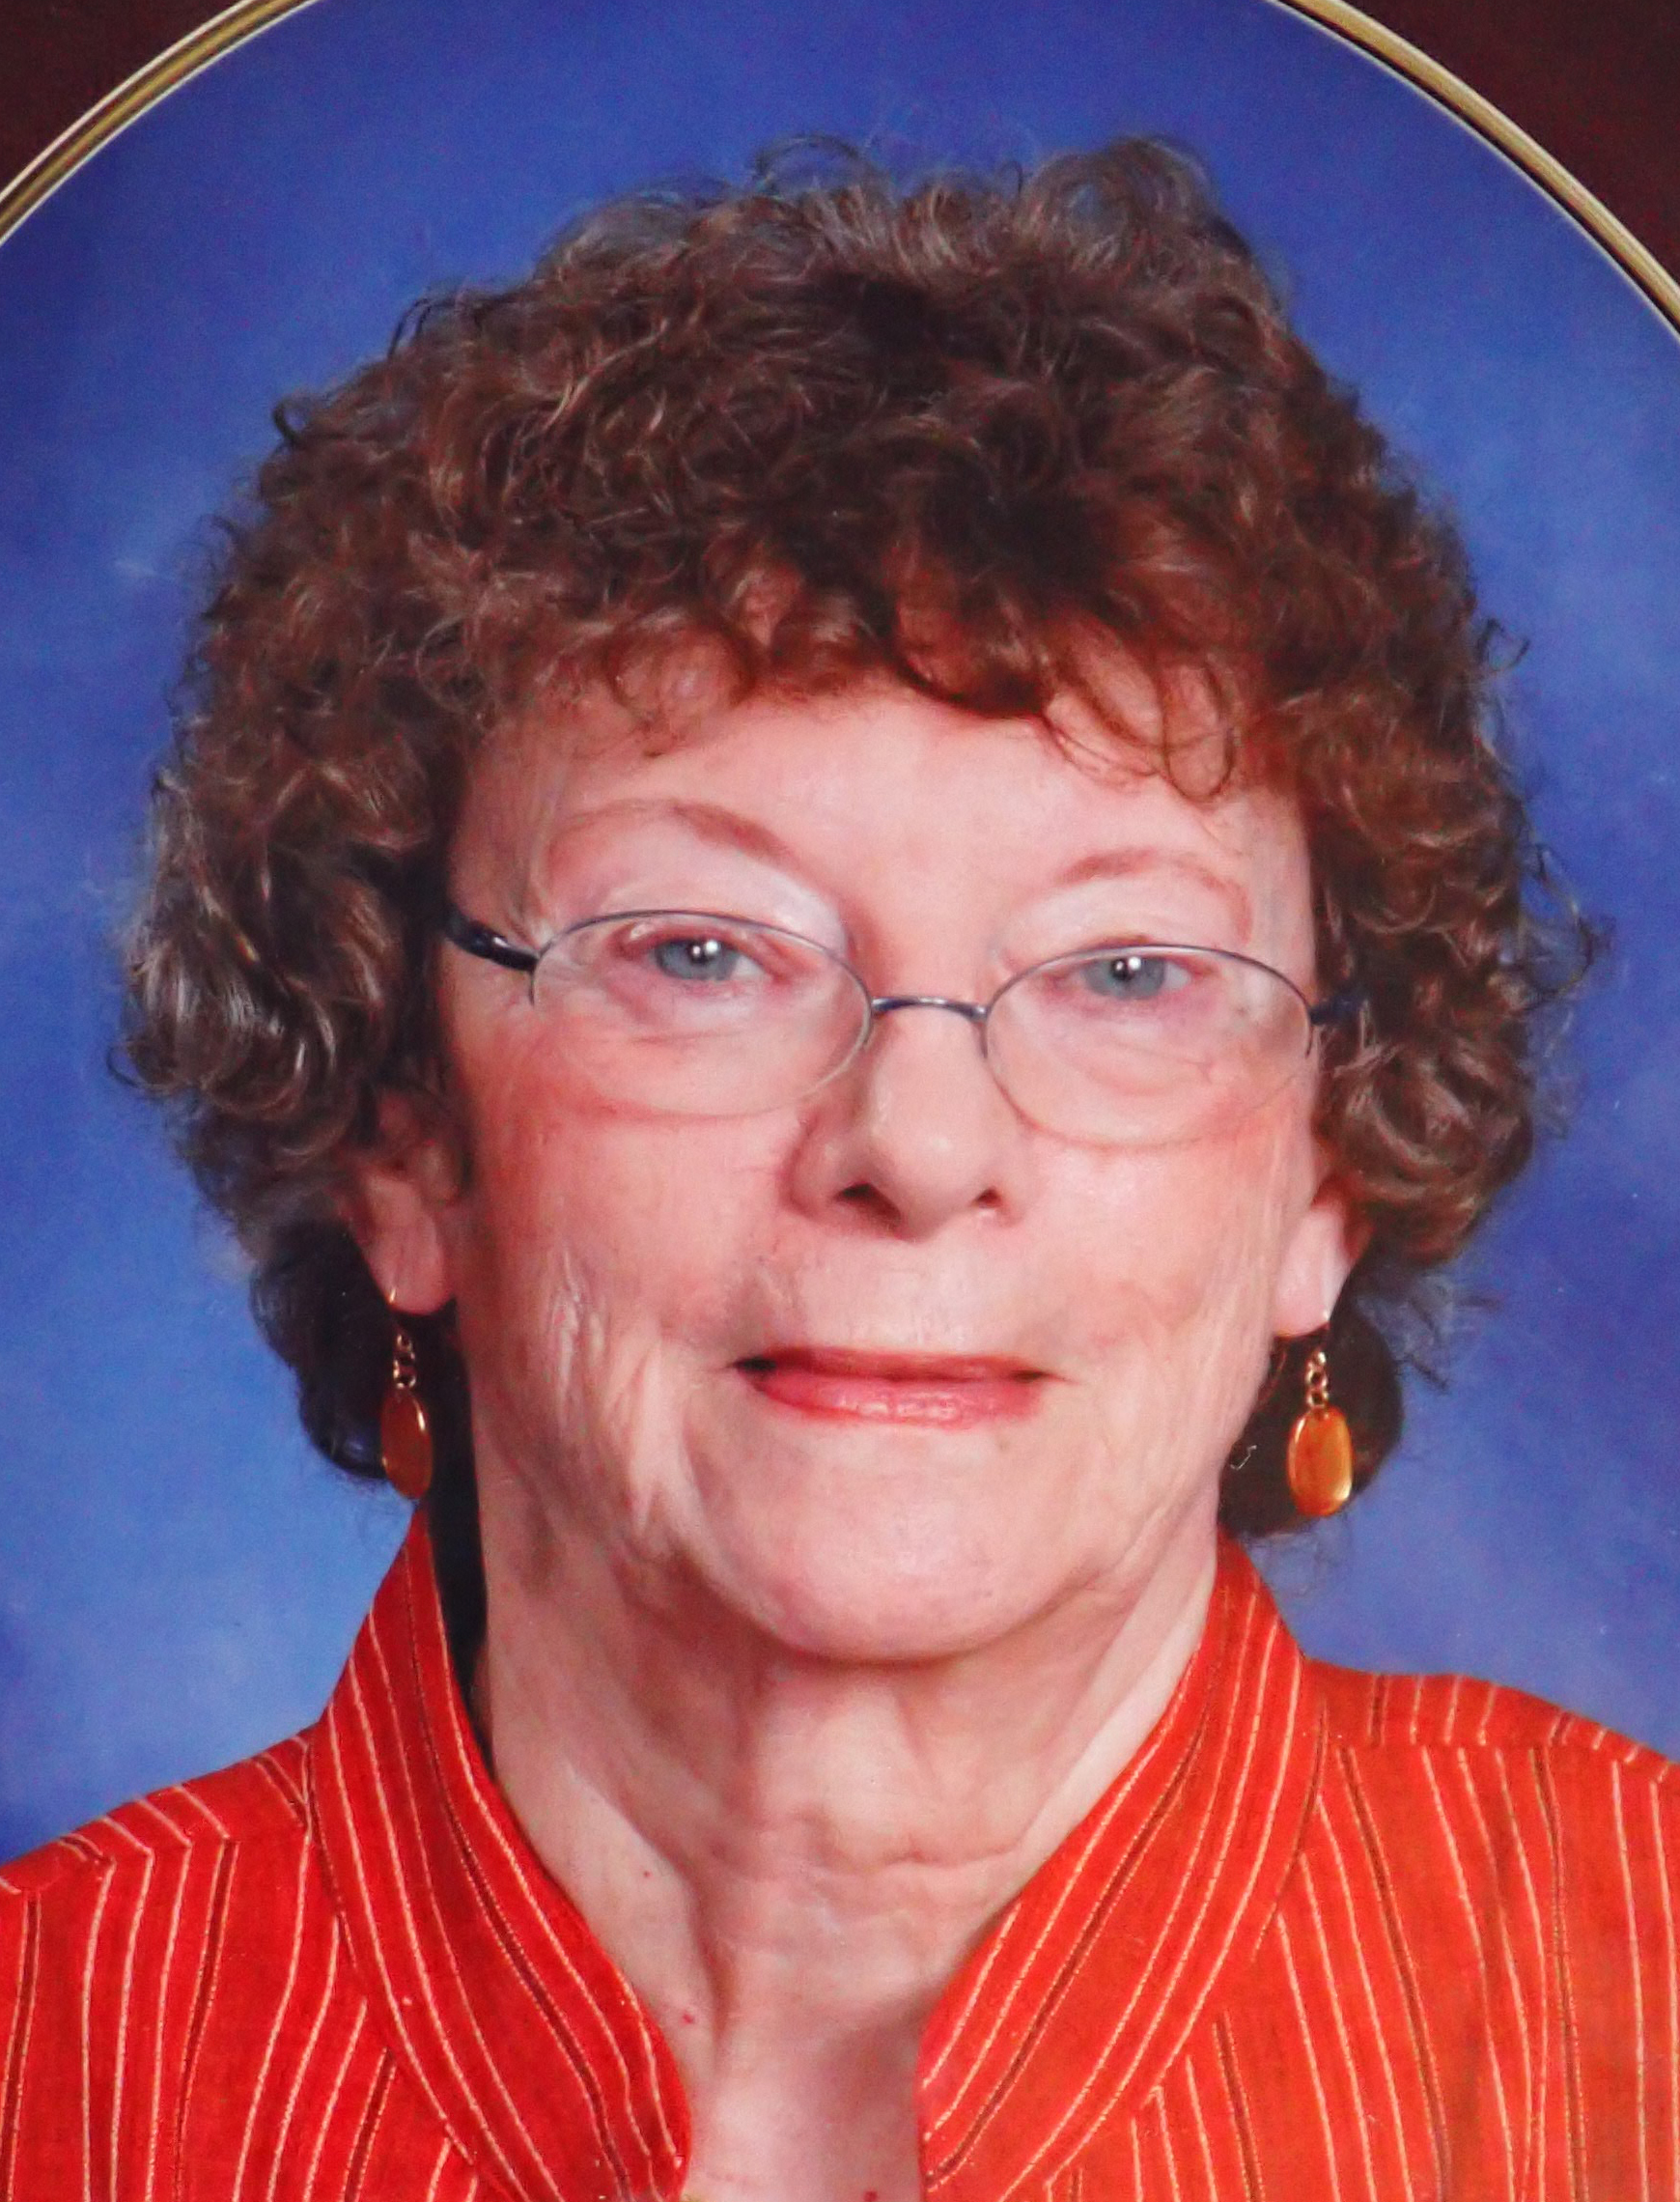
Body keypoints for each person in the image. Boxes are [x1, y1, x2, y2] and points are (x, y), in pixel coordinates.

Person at [1, 138, 1672, 2201]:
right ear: (405, 1125)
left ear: (1328, 1174)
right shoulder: (50, 2055)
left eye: (1127, 971)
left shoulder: (1642, 1988)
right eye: (703, 954)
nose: (917, 1146)